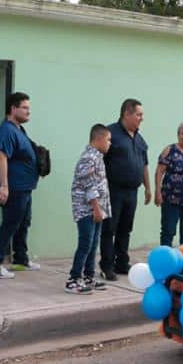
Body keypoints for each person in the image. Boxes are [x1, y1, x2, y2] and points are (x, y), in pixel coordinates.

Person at [0, 92, 39, 279]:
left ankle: (20, 259)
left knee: (23, 222)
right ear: (13, 109)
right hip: (13, 188)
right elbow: (1, 157)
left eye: (28, 108)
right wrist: (4, 186)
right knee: (10, 224)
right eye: (24, 108)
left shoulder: (18, 129)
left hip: (24, 187)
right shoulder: (6, 130)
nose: (28, 112)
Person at [100, 98, 150, 281]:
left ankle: (122, 262)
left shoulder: (139, 137)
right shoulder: (110, 133)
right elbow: (99, 160)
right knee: (109, 228)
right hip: (113, 190)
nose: (141, 118)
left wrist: (148, 188)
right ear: (127, 114)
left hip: (132, 191)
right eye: (139, 114)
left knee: (125, 228)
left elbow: (144, 164)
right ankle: (107, 265)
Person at [67, 124, 113, 294]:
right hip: (88, 210)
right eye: (108, 140)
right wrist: (96, 209)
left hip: (96, 210)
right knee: (85, 243)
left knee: (93, 244)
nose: (109, 144)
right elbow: (89, 187)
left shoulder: (97, 157)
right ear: (99, 139)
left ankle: (88, 276)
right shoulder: (88, 158)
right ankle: (73, 280)